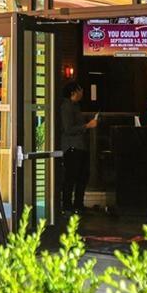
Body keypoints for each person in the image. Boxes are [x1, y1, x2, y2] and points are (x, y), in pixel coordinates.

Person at [60, 82, 97, 216]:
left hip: (80, 146)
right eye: (80, 90)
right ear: (73, 92)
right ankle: (67, 206)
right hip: (72, 147)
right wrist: (87, 126)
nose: (82, 93)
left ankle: (78, 204)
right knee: (71, 177)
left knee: (83, 176)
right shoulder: (66, 106)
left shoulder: (75, 106)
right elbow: (68, 128)